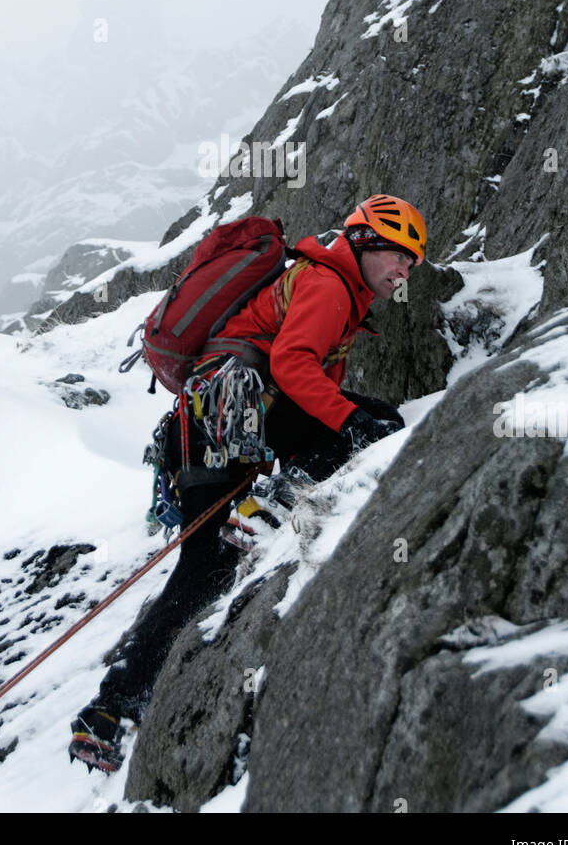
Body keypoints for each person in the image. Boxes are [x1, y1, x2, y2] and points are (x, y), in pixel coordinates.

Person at [69, 193, 427, 774]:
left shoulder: (328, 286)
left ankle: (110, 709)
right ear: (363, 244)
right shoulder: (330, 285)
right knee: (372, 421)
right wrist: (351, 424)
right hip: (233, 410)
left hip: (204, 427)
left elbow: (296, 384)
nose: (403, 272)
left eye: (411, 263)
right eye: (397, 256)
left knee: (202, 574)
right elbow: (293, 367)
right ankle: (270, 504)